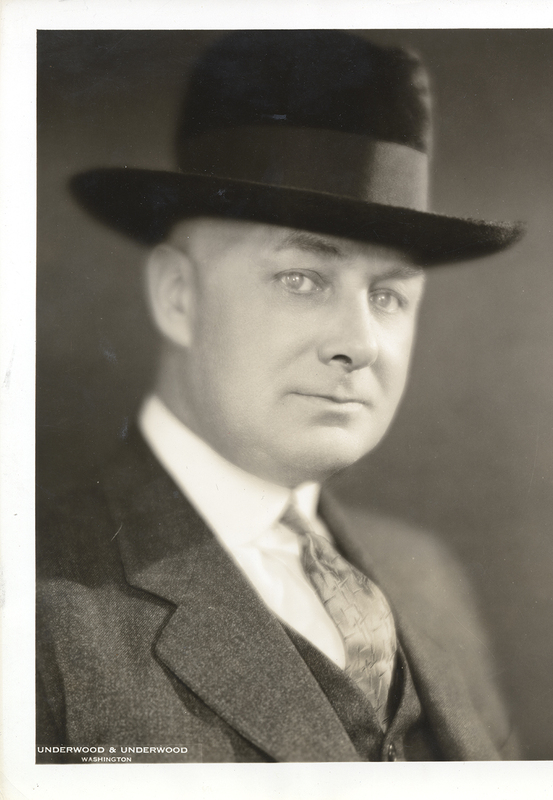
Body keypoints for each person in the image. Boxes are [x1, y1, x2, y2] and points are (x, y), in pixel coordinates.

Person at [36, 30, 523, 763]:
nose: (359, 343)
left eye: (388, 295)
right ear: (179, 295)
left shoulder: (428, 578)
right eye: (303, 279)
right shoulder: (37, 598)